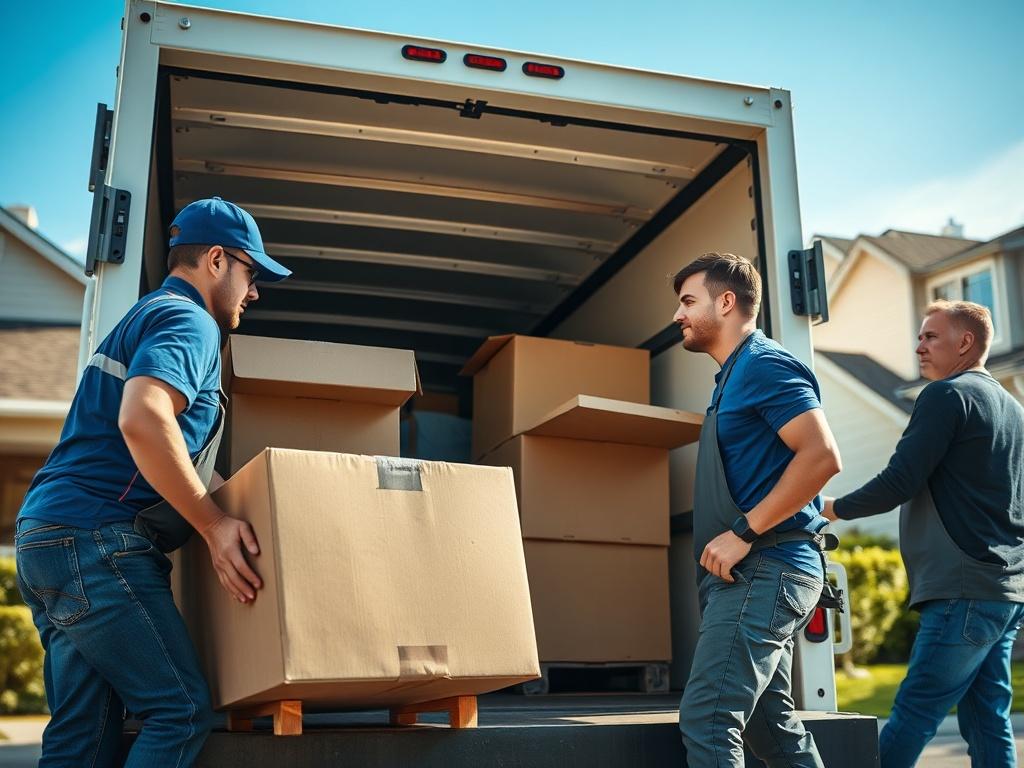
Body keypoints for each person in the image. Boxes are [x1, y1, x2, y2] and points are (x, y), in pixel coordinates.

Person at [14, 197, 291, 767]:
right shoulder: (189, 321)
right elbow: (143, 419)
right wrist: (214, 526)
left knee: (82, 737)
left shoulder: (146, 314)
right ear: (217, 259)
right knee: (181, 710)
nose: (254, 292)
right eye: (252, 273)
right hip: (94, 540)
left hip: (50, 537)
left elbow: (174, 448)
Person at [823, 300, 1024, 768]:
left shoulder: (947, 396)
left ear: (965, 342)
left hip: (963, 590)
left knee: (914, 714)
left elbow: (899, 480)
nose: (918, 347)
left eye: (931, 337)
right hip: (1005, 591)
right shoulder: (1014, 410)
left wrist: (831, 508)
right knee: (987, 721)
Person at [673, 252, 842, 767]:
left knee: (707, 718)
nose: (677, 315)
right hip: (754, 573)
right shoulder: (732, 377)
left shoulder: (765, 365)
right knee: (771, 731)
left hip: (766, 567)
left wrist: (745, 531)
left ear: (726, 302)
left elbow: (822, 455)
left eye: (687, 301)